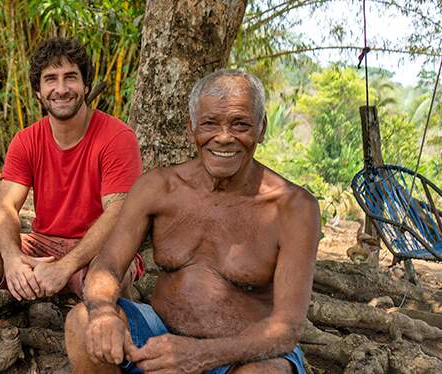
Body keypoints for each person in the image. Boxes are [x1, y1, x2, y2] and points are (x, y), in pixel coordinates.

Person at [64, 69, 320, 374]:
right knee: (81, 322)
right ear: (191, 128)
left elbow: (287, 328)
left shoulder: (294, 207)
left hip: (244, 353)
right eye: (210, 123)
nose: (224, 137)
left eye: (240, 124)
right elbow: (106, 266)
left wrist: (201, 354)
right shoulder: (158, 187)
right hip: (158, 336)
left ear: (261, 129)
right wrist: (104, 312)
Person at [0, 37, 145, 373]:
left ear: (86, 85)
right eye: (51, 79)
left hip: (99, 249)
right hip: (45, 244)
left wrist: (66, 266)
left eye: (70, 77)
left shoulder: (117, 137)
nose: (61, 89)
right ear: (38, 91)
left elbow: (119, 212)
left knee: (107, 276)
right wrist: (12, 258)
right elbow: (6, 208)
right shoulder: (26, 139)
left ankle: (110, 359)